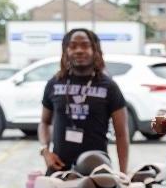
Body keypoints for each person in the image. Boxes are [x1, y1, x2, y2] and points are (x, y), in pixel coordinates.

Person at [39, 29, 129, 174]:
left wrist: (124, 174)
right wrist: (45, 151)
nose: (79, 50)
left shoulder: (109, 86)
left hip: (97, 169)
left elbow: (121, 134)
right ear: (65, 51)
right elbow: (44, 122)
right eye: (73, 46)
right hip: (59, 169)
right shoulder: (54, 84)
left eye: (85, 45)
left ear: (95, 50)